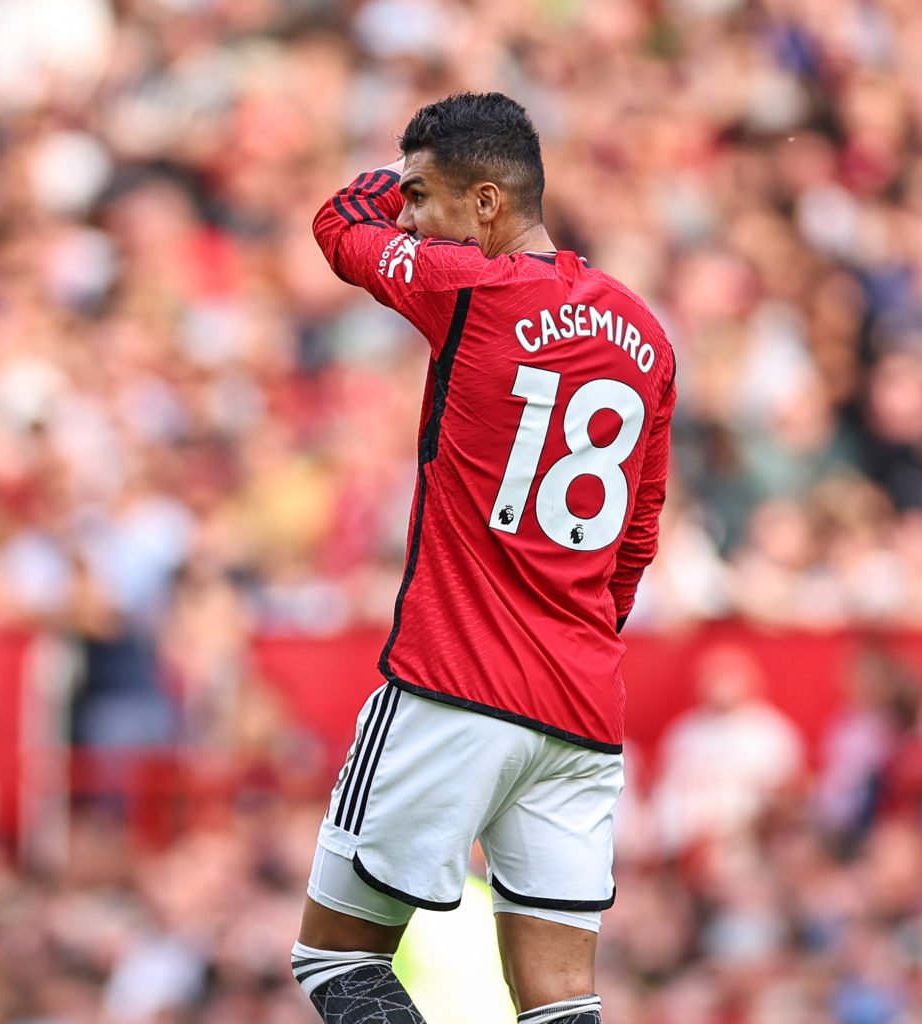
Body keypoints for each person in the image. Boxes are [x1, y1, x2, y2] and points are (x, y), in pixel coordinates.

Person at [292, 93, 676, 1024]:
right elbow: (638, 538)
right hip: (581, 706)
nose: (414, 219)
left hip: (451, 683)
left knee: (336, 964)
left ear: (489, 203)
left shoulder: (473, 289)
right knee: (557, 1004)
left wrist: (383, 188)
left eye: (426, 196)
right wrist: (568, 627)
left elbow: (338, 226)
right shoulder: (648, 336)